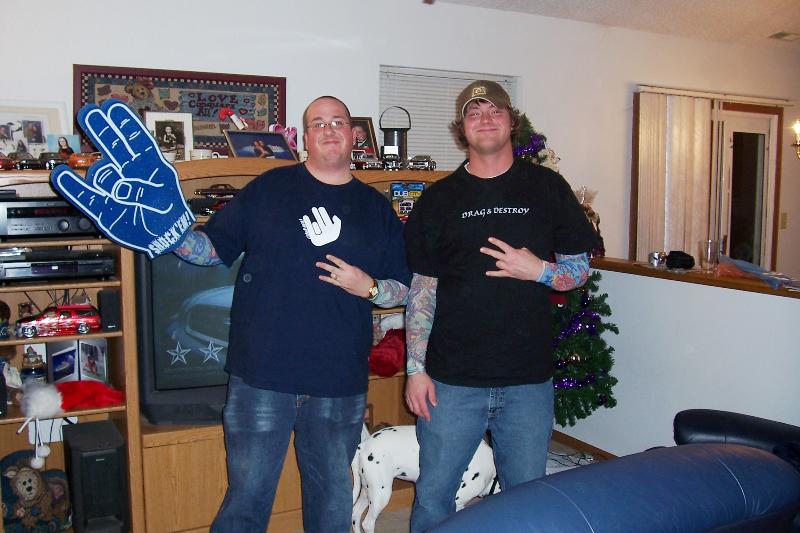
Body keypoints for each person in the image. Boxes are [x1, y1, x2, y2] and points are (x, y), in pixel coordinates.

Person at [173, 95, 411, 533]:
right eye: (318, 123)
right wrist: (171, 235)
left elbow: (404, 285)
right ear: (305, 138)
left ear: (354, 135)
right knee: (246, 497)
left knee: (332, 498)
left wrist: (370, 287)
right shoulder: (269, 188)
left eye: (338, 121)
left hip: (338, 380)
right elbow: (211, 251)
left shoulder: (375, 208)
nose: (329, 129)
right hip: (261, 376)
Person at [403, 80, 601, 532]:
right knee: (434, 496)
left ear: (512, 122)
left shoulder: (547, 188)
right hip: (451, 382)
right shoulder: (439, 199)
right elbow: (423, 290)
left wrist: (540, 271)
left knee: (526, 501)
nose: (485, 119)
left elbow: (579, 270)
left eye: (495, 111)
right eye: (474, 113)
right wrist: (416, 368)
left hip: (527, 382)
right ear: (462, 129)